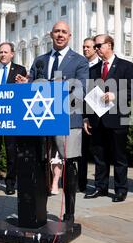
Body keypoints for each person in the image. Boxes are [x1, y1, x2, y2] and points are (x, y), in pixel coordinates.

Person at [16, 21, 89, 224]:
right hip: (40, 120)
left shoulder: (79, 61)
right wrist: (26, 84)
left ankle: (70, 212)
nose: (60, 35)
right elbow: (33, 86)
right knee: (41, 162)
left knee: (69, 164)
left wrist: (51, 88)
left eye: (64, 32)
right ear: (51, 34)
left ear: (69, 35)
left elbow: (80, 88)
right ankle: (40, 209)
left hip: (68, 119)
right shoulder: (40, 60)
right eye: (57, 31)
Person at [84, 34, 133, 203]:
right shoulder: (93, 69)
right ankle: (101, 187)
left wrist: (115, 94)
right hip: (97, 120)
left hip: (117, 118)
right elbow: (88, 95)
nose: (96, 49)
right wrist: (86, 118)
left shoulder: (125, 66)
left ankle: (121, 189)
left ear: (109, 45)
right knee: (99, 155)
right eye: (95, 46)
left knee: (119, 156)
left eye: (99, 45)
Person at [0, 42, 27, 195]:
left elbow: (23, 94)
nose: (2, 55)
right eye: (0, 52)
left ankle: (10, 183)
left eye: (5, 52)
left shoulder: (20, 70)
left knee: (11, 151)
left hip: (12, 118)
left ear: (12, 54)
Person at [78, 38, 101, 192]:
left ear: (95, 48)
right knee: (81, 152)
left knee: (98, 152)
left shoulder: (100, 67)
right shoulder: (80, 65)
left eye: (88, 47)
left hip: (97, 115)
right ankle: (81, 183)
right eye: (83, 47)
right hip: (80, 114)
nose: (85, 49)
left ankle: (100, 185)